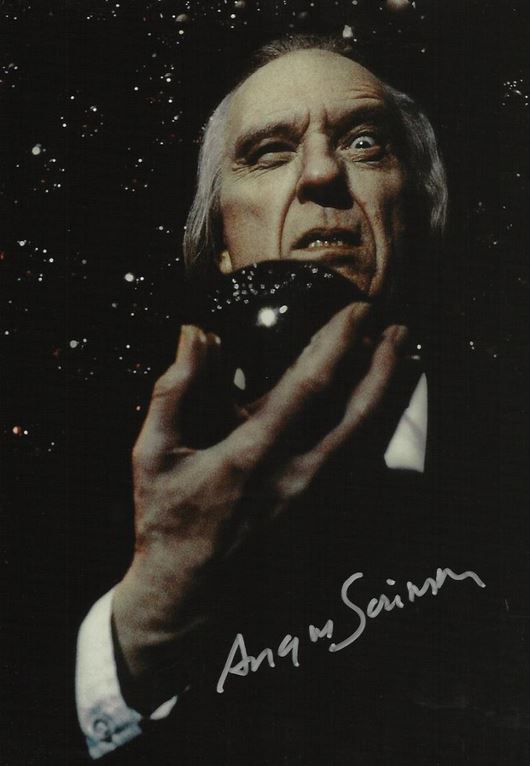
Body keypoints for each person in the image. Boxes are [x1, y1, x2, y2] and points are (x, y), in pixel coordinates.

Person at [76, 35, 529, 765]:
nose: (322, 173)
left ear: (418, 211)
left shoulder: (508, 441)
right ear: (222, 242)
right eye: (269, 152)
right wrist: (148, 621)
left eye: (364, 143)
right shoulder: (97, 486)